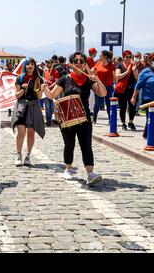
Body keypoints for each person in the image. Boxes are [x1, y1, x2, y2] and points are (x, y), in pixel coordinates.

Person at [41, 52, 107, 185]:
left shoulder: (89, 80)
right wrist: (45, 89)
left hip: (85, 117)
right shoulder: (65, 79)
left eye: (81, 61)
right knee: (69, 144)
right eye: (75, 61)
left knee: (86, 145)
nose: (78, 63)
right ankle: (68, 169)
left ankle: (90, 173)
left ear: (85, 64)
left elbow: (103, 93)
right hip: (67, 118)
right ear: (71, 64)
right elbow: (52, 95)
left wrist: (97, 79)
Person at [11, 59, 45, 167]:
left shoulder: (38, 79)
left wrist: (41, 90)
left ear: (35, 66)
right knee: (21, 132)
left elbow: (39, 97)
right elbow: (16, 96)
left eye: (32, 64)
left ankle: (28, 156)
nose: (30, 66)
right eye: (28, 64)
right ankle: (18, 154)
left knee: (31, 132)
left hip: (34, 106)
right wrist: (22, 89)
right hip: (21, 106)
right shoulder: (19, 78)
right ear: (25, 66)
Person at [132, 53, 154, 139]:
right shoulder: (145, 72)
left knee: (153, 117)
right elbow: (138, 85)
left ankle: (146, 134)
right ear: (150, 61)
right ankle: (151, 135)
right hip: (149, 99)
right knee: (150, 117)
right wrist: (134, 97)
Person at [115, 50, 139, 131]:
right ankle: (123, 123)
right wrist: (127, 71)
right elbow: (117, 76)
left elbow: (137, 78)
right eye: (127, 57)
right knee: (123, 107)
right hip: (122, 89)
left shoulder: (133, 65)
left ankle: (131, 122)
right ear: (123, 57)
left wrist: (133, 70)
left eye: (130, 56)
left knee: (132, 106)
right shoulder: (119, 65)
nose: (128, 58)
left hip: (131, 89)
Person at [92, 50, 116, 123]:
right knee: (97, 103)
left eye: (100, 56)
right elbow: (91, 72)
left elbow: (114, 77)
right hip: (99, 86)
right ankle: (94, 118)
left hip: (108, 87)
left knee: (108, 103)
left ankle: (110, 119)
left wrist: (113, 81)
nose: (99, 57)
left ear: (105, 57)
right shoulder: (98, 63)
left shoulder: (111, 65)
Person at [43, 59, 60, 126]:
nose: (47, 64)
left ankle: (50, 118)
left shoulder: (55, 72)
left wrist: (50, 86)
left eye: (48, 63)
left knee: (52, 107)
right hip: (46, 91)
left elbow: (56, 81)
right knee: (47, 107)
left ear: (52, 63)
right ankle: (48, 121)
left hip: (53, 91)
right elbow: (45, 80)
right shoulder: (46, 71)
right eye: (46, 63)